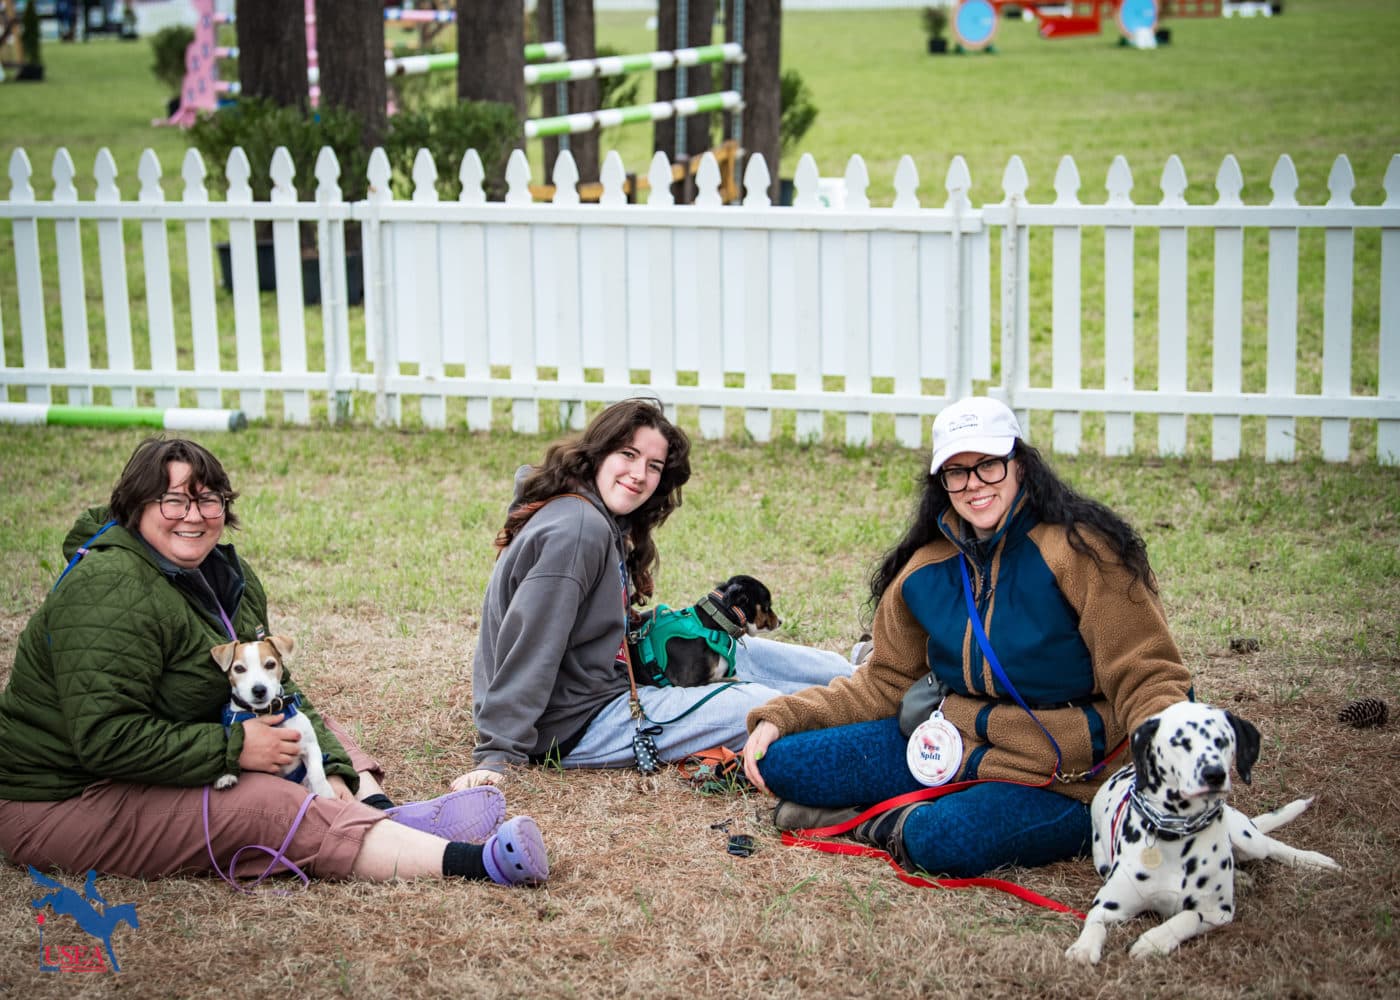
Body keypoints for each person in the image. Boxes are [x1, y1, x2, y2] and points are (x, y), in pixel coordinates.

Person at [0, 438, 547, 887]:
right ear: (136, 506)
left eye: (208, 499)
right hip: (60, 798)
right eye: (173, 501)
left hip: (158, 750)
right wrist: (237, 749)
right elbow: (104, 739)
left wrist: (331, 769)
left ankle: (375, 810)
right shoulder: (108, 587)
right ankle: (475, 862)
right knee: (262, 803)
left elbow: (276, 683)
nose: (194, 516)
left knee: (300, 722)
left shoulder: (219, 574)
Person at [742, 396, 1193, 878]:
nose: (974, 484)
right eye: (957, 472)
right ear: (942, 483)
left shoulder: (1082, 552)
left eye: (989, 465)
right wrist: (783, 715)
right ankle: (913, 808)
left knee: (942, 839)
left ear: (1019, 464)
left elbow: (1147, 672)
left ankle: (885, 821)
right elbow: (883, 684)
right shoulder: (925, 569)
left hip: (1060, 777)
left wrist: (1170, 760)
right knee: (782, 762)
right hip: (952, 748)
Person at [453, 397, 854, 788]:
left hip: (608, 681)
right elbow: (533, 642)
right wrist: (499, 752)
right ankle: (865, 711)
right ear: (598, 452)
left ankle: (870, 682)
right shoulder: (578, 531)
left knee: (743, 652)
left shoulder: (598, 517)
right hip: (570, 722)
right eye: (628, 454)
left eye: (654, 466)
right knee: (754, 707)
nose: (639, 474)